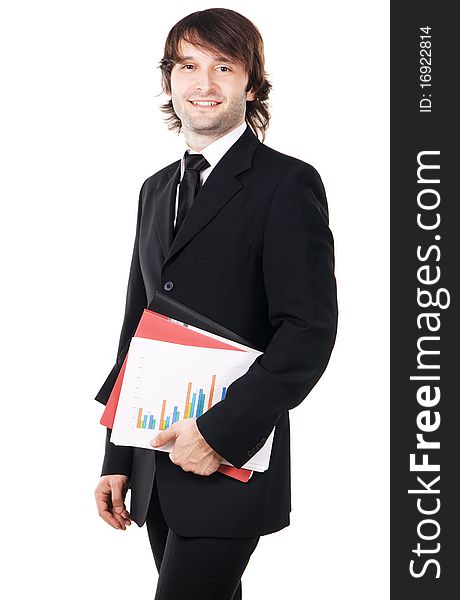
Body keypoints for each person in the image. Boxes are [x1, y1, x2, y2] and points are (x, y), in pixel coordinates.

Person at [94, 8, 338, 600]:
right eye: (188, 66)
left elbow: (307, 331)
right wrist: (117, 452)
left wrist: (221, 436)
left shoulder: (286, 183)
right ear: (169, 81)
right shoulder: (155, 190)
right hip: (154, 465)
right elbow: (140, 329)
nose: (204, 84)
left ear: (249, 84)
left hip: (227, 460)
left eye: (223, 67)